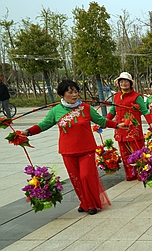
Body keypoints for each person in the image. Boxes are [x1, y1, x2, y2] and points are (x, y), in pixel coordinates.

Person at [23, 80, 126, 215]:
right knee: (75, 178)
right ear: (62, 94)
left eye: (76, 92)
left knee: (86, 176)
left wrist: (117, 125)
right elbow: (44, 124)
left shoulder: (86, 108)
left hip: (87, 149)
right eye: (70, 92)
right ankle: (85, 203)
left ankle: (93, 203)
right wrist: (28, 132)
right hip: (68, 151)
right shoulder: (56, 111)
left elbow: (101, 121)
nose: (74, 95)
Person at [106, 72, 152, 181]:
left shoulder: (137, 97)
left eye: (126, 81)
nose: (124, 83)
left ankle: (142, 173)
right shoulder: (116, 97)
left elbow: (145, 111)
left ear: (131, 83)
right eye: (121, 81)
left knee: (137, 152)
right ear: (118, 84)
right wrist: (105, 121)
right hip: (120, 129)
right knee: (124, 154)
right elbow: (113, 111)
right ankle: (130, 174)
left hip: (133, 130)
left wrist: (151, 123)